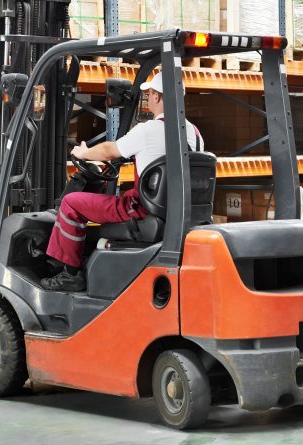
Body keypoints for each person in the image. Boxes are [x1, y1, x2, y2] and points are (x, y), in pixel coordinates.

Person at [40, 74, 206, 292]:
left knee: (71, 203)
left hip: (141, 210)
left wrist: (84, 153)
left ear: (156, 97)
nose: (148, 98)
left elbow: (109, 150)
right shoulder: (195, 134)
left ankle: (70, 274)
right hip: (177, 213)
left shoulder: (147, 130)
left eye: (149, 95)